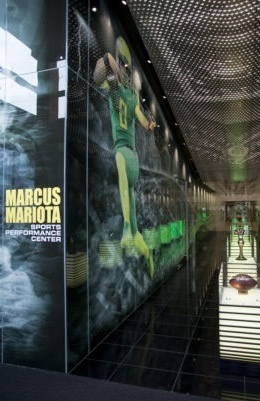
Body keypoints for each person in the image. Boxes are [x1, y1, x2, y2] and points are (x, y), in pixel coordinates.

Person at [93, 36, 156, 276]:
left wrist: (117, 62)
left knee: (123, 186)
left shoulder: (117, 91)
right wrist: (150, 126)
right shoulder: (130, 96)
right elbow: (144, 123)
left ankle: (128, 230)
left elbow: (106, 64)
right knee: (128, 194)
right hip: (134, 160)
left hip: (122, 154)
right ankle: (136, 238)